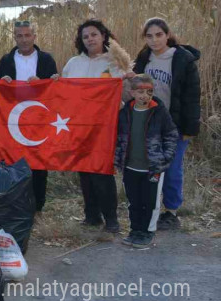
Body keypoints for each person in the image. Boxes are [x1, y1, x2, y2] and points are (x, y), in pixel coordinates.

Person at [62, 19, 133, 233]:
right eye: (85, 36)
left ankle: (111, 219)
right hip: (80, 125)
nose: (90, 39)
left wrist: (129, 79)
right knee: (84, 170)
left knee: (102, 171)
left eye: (94, 34)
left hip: (106, 125)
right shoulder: (73, 64)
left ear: (103, 36)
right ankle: (91, 216)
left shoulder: (115, 62)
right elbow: (63, 93)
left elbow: (129, 94)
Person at [133, 18, 200, 231]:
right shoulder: (144, 58)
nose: (154, 40)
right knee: (149, 168)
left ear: (167, 35)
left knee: (172, 169)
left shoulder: (183, 59)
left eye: (158, 35)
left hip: (174, 125)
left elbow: (192, 97)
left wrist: (189, 129)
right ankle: (149, 207)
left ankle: (171, 212)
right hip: (149, 123)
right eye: (149, 36)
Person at [0, 19, 59, 212]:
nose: (23, 40)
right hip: (13, 120)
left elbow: (54, 91)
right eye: (19, 36)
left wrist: (44, 82)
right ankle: (16, 205)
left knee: (38, 164)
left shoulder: (46, 59)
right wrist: (2, 82)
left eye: (27, 35)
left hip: (39, 119)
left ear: (34, 36)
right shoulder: (6, 60)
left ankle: (38, 206)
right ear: (14, 37)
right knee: (14, 163)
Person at [115, 74, 178, 249]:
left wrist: (166, 157)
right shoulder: (125, 113)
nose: (145, 95)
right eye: (140, 91)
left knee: (150, 201)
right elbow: (118, 138)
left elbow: (171, 134)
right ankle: (135, 230)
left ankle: (147, 232)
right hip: (130, 166)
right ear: (131, 92)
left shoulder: (159, 111)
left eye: (149, 92)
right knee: (133, 201)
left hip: (152, 167)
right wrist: (117, 158)